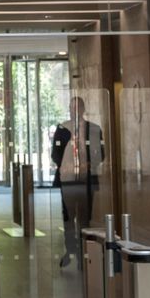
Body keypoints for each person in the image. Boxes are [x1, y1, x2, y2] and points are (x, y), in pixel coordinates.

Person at [52, 96, 103, 269]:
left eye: (77, 107)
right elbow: (55, 153)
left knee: (84, 218)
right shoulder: (62, 129)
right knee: (68, 217)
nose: (74, 111)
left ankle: (83, 253)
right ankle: (70, 250)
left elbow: (100, 153)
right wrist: (64, 165)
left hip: (86, 179)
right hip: (68, 180)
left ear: (83, 109)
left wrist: (91, 164)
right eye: (71, 107)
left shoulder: (94, 129)